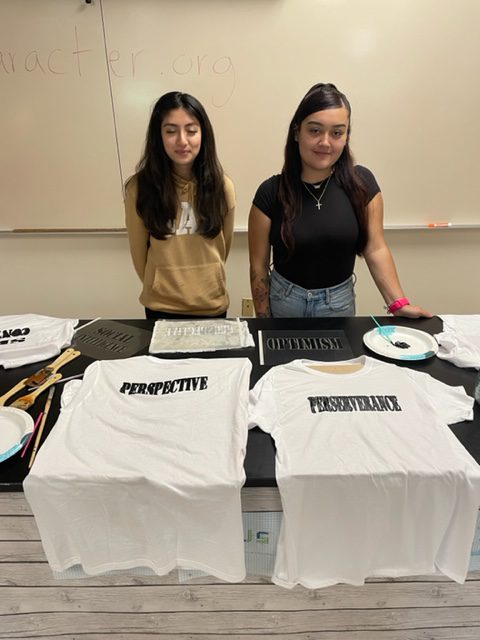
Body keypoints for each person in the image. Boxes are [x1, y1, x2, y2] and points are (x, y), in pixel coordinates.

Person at [248, 83, 431, 319]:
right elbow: (258, 267)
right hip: (285, 303)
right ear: (296, 132)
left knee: (341, 358)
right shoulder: (270, 192)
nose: (325, 142)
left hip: (338, 305)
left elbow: (375, 248)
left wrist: (399, 304)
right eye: (314, 130)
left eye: (337, 133)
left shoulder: (362, 184)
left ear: (346, 137)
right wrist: (264, 321)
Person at [125, 91, 235, 319]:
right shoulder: (139, 188)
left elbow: (223, 247)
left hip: (212, 305)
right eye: (171, 131)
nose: (182, 141)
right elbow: (139, 254)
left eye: (191, 130)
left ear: (203, 134)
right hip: (160, 307)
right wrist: (159, 284)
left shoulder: (222, 187)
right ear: (159, 136)